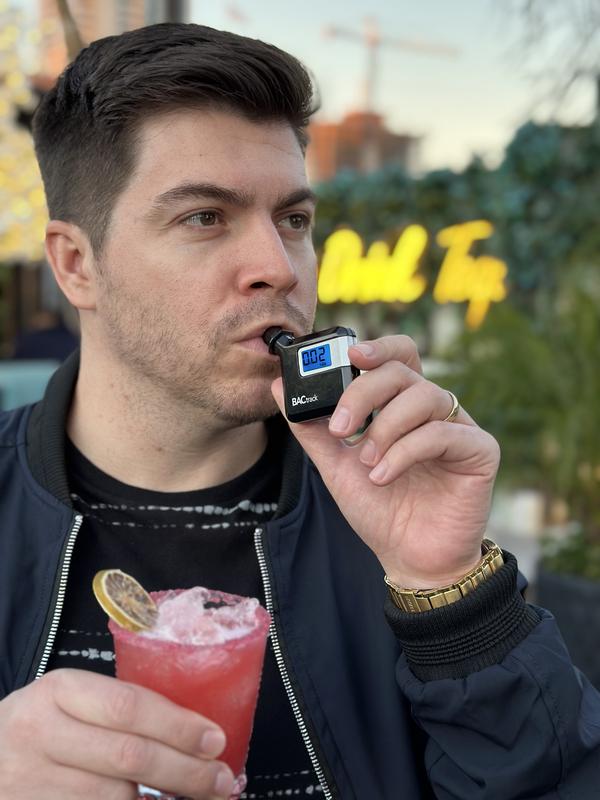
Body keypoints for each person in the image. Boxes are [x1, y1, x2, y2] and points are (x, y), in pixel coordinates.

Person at [0, 23, 597, 800]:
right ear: (77, 263)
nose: (279, 268)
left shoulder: (382, 510)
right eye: (204, 217)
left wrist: (449, 590)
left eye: (294, 220)